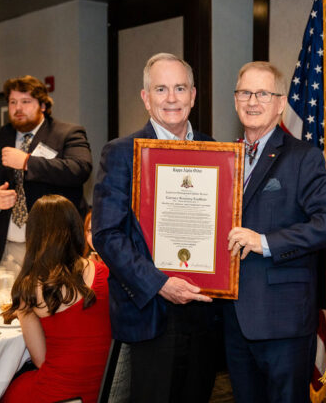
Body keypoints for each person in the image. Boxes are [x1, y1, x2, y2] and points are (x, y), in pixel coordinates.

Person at [92, 53, 217, 402]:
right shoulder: (120, 153)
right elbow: (107, 235)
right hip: (150, 312)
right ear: (146, 98)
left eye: (180, 88)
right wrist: (160, 283)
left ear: (193, 95)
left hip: (205, 310)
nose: (172, 98)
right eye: (161, 89)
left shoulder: (217, 152)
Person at [224, 61, 326, 403]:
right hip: (233, 320)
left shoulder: (302, 157)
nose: (252, 101)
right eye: (245, 92)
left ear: (281, 103)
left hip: (283, 320)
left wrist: (265, 242)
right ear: (235, 100)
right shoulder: (224, 158)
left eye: (263, 93)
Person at [0, 75, 92, 273]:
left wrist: (27, 162)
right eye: (13, 102)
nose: (18, 108)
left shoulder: (68, 133)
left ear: (43, 105)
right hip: (4, 246)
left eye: (26, 102)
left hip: (52, 245)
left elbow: (79, 169)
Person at [0, 194, 111, 403]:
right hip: (103, 390)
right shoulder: (104, 272)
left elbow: (41, 360)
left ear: (33, 234)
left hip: (61, 395)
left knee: (2, 391)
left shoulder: (30, 288)